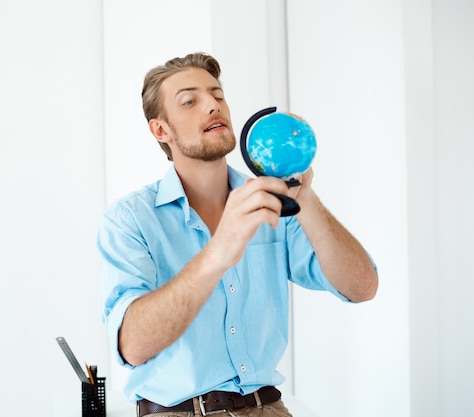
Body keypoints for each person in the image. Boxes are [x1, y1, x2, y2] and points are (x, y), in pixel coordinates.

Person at [96, 52, 378, 417]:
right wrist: (220, 251)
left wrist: (305, 197)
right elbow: (132, 345)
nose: (213, 105)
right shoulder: (129, 219)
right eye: (190, 100)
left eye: (217, 94)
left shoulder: (273, 203)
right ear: (160, 130)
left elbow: (362, 287)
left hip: (270, 408)